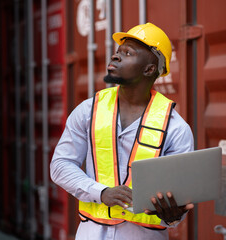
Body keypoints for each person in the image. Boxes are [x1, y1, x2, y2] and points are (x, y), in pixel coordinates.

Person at [50, 23, 194, 240]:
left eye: (128, 53)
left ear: (149, 69)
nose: (116, 57)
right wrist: (100, 192)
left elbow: (180, 198)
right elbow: (60, 165)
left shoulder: (175, 128)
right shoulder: (88, 111)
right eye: (117, 52)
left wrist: (173, 216)